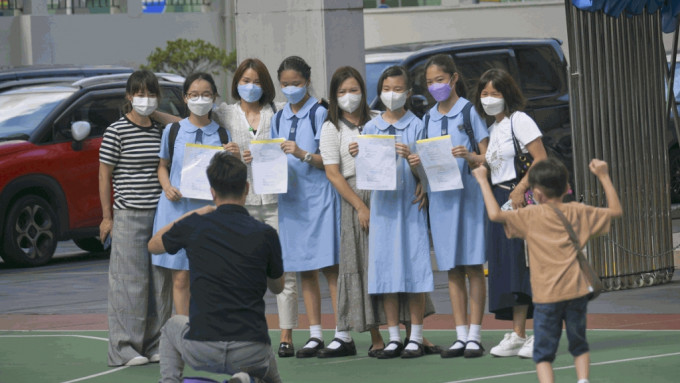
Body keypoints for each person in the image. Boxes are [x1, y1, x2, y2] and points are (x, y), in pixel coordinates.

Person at [472, 157, 622, 383]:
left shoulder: (530, 216)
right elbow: (615, 211)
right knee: (578, 343)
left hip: (546, 296)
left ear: (537, 194)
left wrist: (483, 180)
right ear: (566, 187)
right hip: (576, 292)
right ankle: (583, 380)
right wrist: (603, 175)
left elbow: (495, 215)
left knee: (543, 354)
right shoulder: (578, 211)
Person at [149, 152, 284, 383]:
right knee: (265, 358)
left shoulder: (195, 225)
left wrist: (192, 214)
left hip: (201, 347)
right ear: (247, 188)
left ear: (212, 192)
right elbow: (278, 287)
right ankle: (247, 379)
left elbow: (153, 245)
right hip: (251, 348)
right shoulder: (266, 233)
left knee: (172, 326)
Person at [212, 58, 299, 358]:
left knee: (283, 270)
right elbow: (188, 121)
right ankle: (248, 333)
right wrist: (229, 153)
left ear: (265, 85)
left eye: (256, 81)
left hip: (276, 200)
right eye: (245, 80)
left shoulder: (277, 112)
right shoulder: (224, 113)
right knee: (245, 271)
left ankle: (286, 335)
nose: (250, 86)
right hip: (242, 202)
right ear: (236, 83)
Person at [407, 54, 488, 358]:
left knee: (473, 266)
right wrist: (417, 165)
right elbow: (425, 162)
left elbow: (487, 157)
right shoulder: (427, 118)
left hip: (468, 199)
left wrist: (470, 157)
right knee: (452, 269)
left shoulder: (469, 112)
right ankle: (460, 334)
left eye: (439, 80)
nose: (434, 86)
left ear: (454, 79)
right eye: (429, 82)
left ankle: (476, 335)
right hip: (441, 202)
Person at [350, 65, 433, 359]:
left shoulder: (417, 125)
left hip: (409, 206)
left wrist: (413, 163)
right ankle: (394, 336)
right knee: (385, 270)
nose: (392, 94)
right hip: (383, 209)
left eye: (398, 90)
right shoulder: (371, 129)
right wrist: (358, 155)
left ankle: (416, 336)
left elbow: (427, 172)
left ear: (408, 93)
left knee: (414, 268)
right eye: (387, 89)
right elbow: (366, 174)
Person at [99, 69, 172, 367]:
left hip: (159, 214)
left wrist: (157, 115)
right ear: (129, 96)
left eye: (151, 93)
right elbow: (104, 175)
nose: (145, 99)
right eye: (139, 93)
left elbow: (185, 124)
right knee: (128, 283)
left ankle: (153, 343)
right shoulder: (115, 131)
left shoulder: (160, 129)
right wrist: (107, 217)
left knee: (158, 282)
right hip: (128, 213)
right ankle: (123, 348)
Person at [270, 56, 341, 358]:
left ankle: (342, 331)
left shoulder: (321, 113)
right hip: (292, 201)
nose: (290, 89)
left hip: (320, 198)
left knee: (330, 267)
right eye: (284, 85)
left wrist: (302, 154)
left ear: (308, 81)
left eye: (295, 84)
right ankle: (315, 333)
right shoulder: (277, 117)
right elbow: (273, 156)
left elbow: (330, 160)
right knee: (304, 271)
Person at [473, 68, 548, 358]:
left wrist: (520, 189)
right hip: (500, 198)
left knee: (530, 266)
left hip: (522, 198)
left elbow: (541, 159)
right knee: (512, 270)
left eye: (495, 93)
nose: (489, 99)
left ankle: (542, 331)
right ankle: (518, 333)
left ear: (508, 94)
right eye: (484, 94)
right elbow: (495, 163)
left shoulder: (520, 120)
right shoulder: (492, 129)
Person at [151, 72, 239, 316]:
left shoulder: (223, 135)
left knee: (208, 277)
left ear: (214, 98)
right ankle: (183, 334)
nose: (200, 99)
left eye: (206, 94)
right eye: (194, 95)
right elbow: (162, 166)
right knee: (180, 278)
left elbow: (228, 175)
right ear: (185, 97)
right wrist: (167, 186)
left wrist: (234, 157)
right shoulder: (173, 131)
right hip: (176, 209)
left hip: (209, 212)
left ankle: (207, 331)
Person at [318, 66, 384, 357]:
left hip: (385, 196)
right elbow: (333, 173)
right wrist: (360, 206)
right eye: (342, 91)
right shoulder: (331, 127)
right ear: (334, 95)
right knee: (360, 266)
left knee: (390, 264)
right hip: (354, 199)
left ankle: (408, 332)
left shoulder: (379, 120)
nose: (348, 96)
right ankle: (376, 335)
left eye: (354, 90)